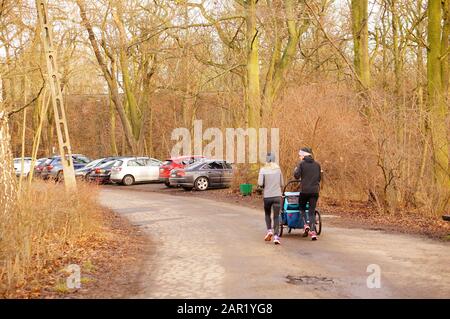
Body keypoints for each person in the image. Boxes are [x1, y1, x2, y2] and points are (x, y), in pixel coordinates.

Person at [294, 147, 321, 241]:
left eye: (300, 155)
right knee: (311, 211)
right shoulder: (317, 164)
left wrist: (295, 170)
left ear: (304, 155)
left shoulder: (301, 164)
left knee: (301, 208)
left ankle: (305, 225)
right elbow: (319, 178)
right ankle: (313, 233)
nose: (299, 157)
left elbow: (296, 176)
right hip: (314, 191)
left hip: (304, 191)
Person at [258, 153, 284, 245]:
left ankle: (269, 231)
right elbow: (282, 183)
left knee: (267, 214)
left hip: (267, 196)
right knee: (276, 216)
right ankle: (276, 237)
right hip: (277, 196)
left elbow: (260, 183)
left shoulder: (263, 169)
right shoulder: (278, 169)